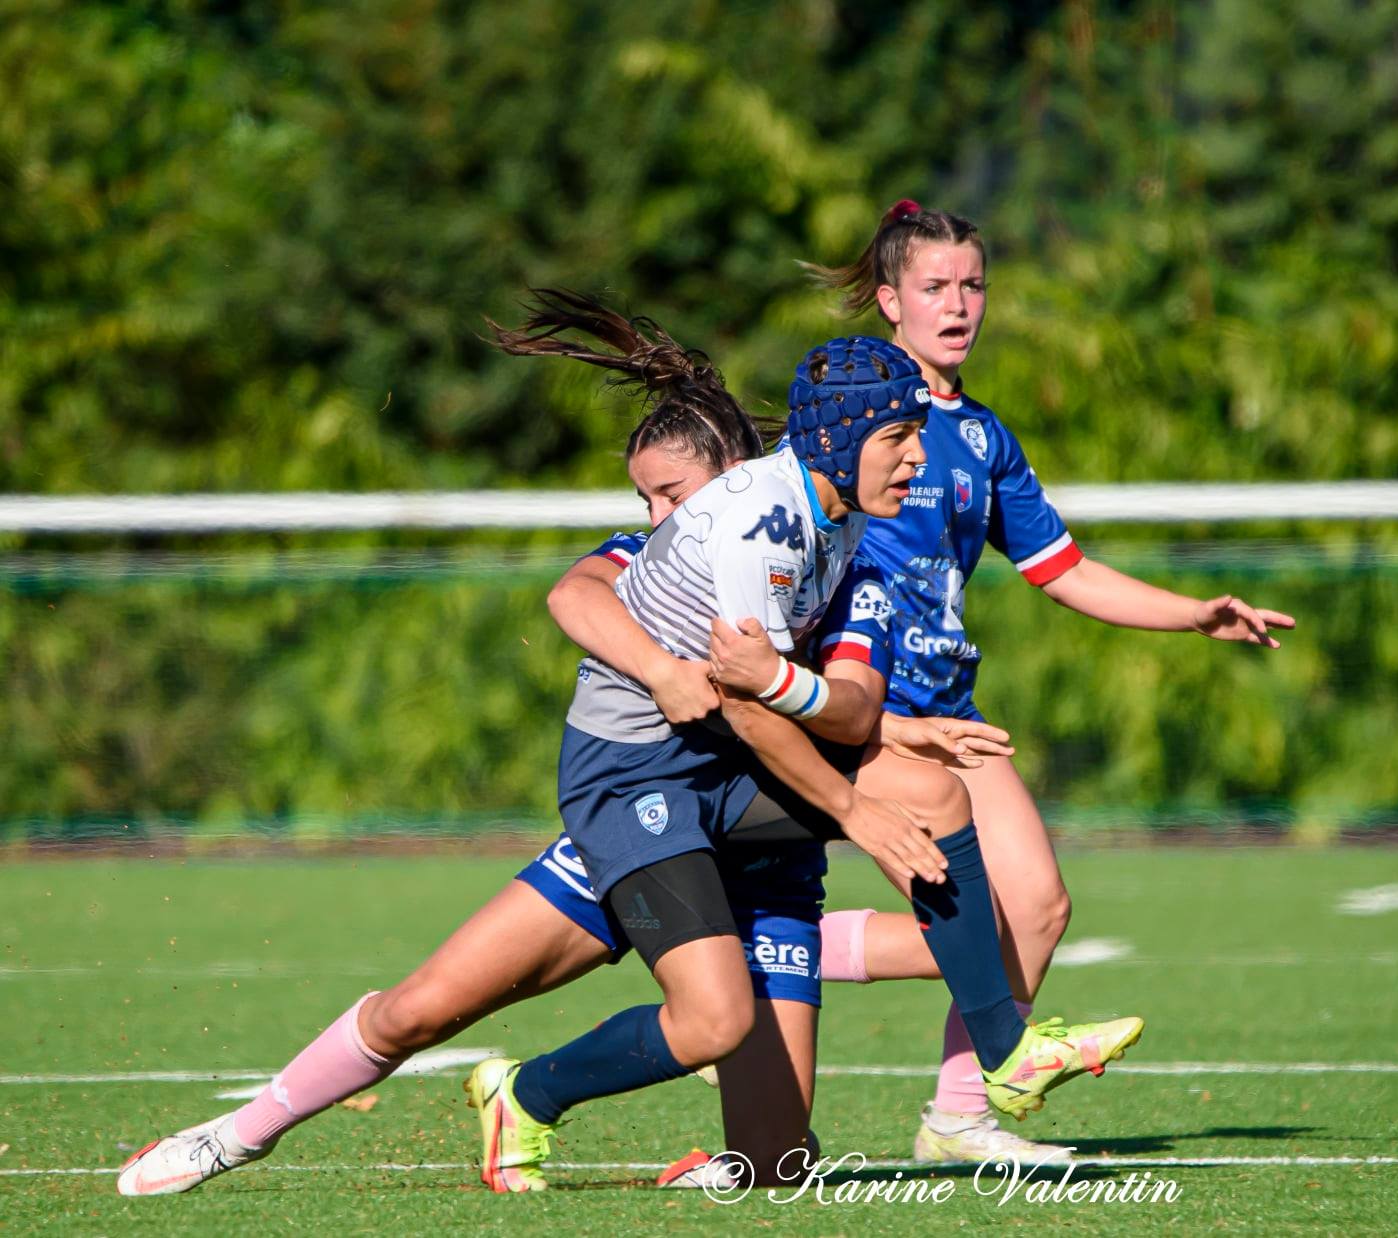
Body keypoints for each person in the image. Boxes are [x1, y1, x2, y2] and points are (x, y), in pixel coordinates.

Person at [114, 295, 1012, 1197]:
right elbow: (577, 598)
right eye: (649, 500)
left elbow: (836, 708)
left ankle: (985, 1043)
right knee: (426, 1008)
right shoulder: (689, 541)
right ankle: (237, 1135)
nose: (659, 515)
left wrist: (888, 732)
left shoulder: (843, 546)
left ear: (735, 474)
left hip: (752, 817)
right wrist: (664, 670)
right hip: (649, 796)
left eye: (670, 495)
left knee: (776, 1161)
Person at [460, 308, 1143, 1192]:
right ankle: (525, 1093)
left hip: (719, 761)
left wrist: (870, 730)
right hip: (640, 775)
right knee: (708, 1022)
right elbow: (747, 709)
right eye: (899, 438)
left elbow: (830, 710)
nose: (917, 459)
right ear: (840, 441)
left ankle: (1005, 1054)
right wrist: (855, 810)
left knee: (933, 796)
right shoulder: (764, 525)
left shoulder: (841, 520)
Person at [795, 202, 1295, 1165]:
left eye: (973, 285)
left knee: (1037, 909)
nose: (957, 305)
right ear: (890, 300)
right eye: (934, 287)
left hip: (950, 712)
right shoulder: (853, 413)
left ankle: (957, 1120)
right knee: (967, 928)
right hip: (863, 714)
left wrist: (1191, 614)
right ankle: (762, 959)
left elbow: (1062, 571)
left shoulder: (983, 438)